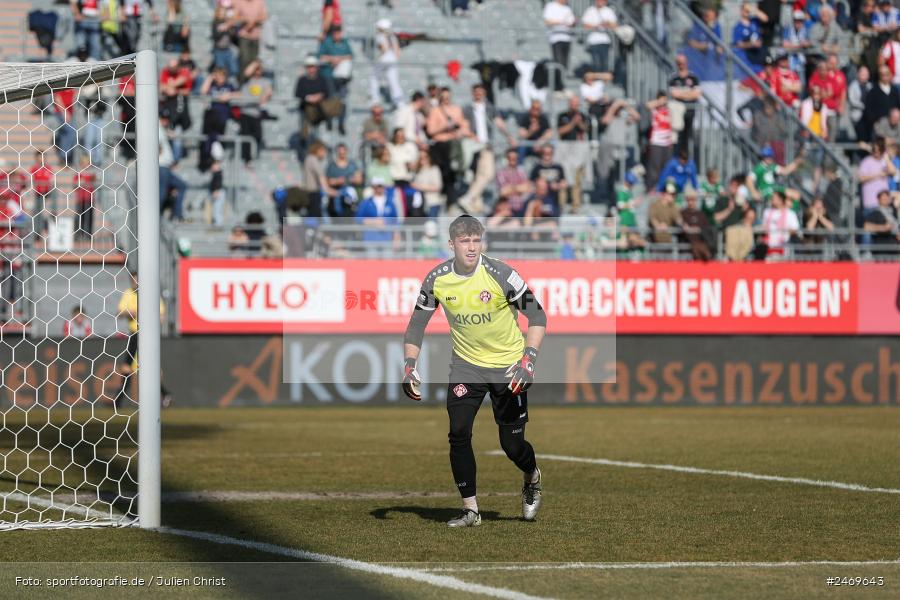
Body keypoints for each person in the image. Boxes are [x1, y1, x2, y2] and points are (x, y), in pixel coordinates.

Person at [402, 215, 547, 527]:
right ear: (451, 244)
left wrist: (529, 359)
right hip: (466, 366)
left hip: (508, 367)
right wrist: (409, 366)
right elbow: (416, 325)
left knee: (512, 445)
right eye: (465, 241)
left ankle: (532, 476)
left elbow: (537, 315)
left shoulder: (502, 274)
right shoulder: (437, 279)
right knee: (458, 432)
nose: (471, 247)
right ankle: (471, 510)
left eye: (476, 240)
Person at [115, 270, 171, 408]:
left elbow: (161, 316)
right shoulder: (128, 293)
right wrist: (130, 313)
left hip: (146, 335)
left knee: (134, 367)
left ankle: (118, 400)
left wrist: (150, 320)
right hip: (134, 334)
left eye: (138, 280)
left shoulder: (151, 294)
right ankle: (118, 400)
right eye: (133, 280)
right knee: (128, 367)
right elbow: (119, 313)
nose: (136, 283)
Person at [426, 87, 471, 206]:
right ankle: (448, 197)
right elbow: (431, 130)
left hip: (454, 144)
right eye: (443, 97)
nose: (446, 99)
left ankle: (453, 198)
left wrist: (459, 130)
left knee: (454, 170)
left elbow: (463, 125)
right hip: (441, 146)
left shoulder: (456, 109)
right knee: (445, 171)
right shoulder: (435, 111)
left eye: (448, 97)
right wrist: (444, 126)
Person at [317, 25, 353, 135]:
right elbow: (320, 57)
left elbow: (350, 56)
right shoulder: (327, 42)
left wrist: (339, 59)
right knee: (331, 99)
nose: (338, 35)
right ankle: (329, 120)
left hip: (342, 77)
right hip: (328, 75)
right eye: (336, 33)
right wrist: (332, 59)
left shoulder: (344, 42)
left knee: (342, 100)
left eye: (339, 33)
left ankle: (341, 123)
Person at [238, 59, 272, 166]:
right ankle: (246, 159)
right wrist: (255, 62)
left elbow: (269, 91)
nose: (257, 71)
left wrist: (265, 96)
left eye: (259, 69)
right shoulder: (248, 80)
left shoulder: (265, 81)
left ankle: (254, 156)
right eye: (256, 69)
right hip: (245, 111)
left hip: (256, 112)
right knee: (245, 135)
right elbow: (246, 73)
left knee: (258, 135)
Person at [294, 56, 333, 144]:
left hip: (319, 109)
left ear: (317, 67)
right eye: (309, 67)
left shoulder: (322, 79)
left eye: (313, 66)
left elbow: (327, 93)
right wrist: (308, 98)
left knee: (317, 132)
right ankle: (304, 146)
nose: (311, 69)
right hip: (305, 109)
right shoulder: (302, 80)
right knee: (304, 132)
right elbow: (297, 93)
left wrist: (319, 97)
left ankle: (316, 146)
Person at [668, 54, 701, 153]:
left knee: (688, 137)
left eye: (683, 63)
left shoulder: (693, 78)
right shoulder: (674, 78)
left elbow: (696, 94)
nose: (682, 65)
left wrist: (682, 94)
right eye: (679, 63)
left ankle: (686, 157)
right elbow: (674, 94)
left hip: (690, 112)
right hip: (677, 113)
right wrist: (688, 94)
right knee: (677, 136)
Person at [644, 91, 674, 190]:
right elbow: (647, 105)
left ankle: (665, 188)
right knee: (654, 167)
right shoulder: (654, 110)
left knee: (666, 168)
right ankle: (652, 187)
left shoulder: (668, 110)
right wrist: (659, 102)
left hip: (667, 142)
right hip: (656, 142)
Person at [862, 65, 900, 142]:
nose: (885, 77)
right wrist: (874, 123)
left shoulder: (894, 90)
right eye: (882, 74)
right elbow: (868, 109)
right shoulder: (873, 92)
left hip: (894, 127)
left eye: (887, 74)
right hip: (880, 128)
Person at [859, 137, 897, 213]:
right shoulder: (866, 161)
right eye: (875, 150)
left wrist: (886, 157)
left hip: (885, 204)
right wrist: (879, 175)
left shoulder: (885, 161)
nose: (877, 153)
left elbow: (894, 172)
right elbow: (861, 178)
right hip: (871, 203)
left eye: (880, 151)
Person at [370, 19, 403, 107]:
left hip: (385, 58)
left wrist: (379, 58)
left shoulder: (380, 36)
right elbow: (397, 51)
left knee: (374, 78)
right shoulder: (393, 37)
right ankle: (399, 102)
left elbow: (384, 49)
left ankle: (375, 99)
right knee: (394, 81)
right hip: (393, 59)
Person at [233, 0, 268, 79]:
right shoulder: (240, 2)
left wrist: (253, 22)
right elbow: (235, 17)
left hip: (256, 36)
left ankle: (253, 82)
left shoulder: (259, 2)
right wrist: (246, 20)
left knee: (254, 62)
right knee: (244, 59)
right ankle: (243, 82)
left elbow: (264, 16)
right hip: (244, 36)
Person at [581, 0, 617, 73]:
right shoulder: (590, 10)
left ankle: (603, 80)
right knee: (596, 63)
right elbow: (585, 25)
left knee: (605, 62)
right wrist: (597, 26)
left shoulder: (609, 11)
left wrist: (606, 24)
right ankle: (597, 79)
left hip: (605, 41)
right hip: (593, 41)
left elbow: (614, 25)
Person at [495, 148, 533, 217]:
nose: (513, 159)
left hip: (521, 208)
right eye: (510, 157)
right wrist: (519, 188)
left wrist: (511, 187)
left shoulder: (521, 172)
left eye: (515, 158)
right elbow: (503, 191)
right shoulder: (501, 173)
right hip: (507, 209)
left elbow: (528, 188)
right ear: (506, 158)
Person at [761, 189, 800, 255]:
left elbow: (795, 229)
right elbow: (764, 226)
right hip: (768, 247)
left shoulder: (790, 213)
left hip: (783, 247)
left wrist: (783, 231)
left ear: (781, 200)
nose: (772, 199)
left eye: (774, 198)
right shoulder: (767, 212)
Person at [732, 2, 768, 73]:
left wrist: (752, 8)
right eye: (745, 10)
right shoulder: (738, 27)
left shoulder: (754, 21)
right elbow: (739, 44)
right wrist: (752, 44)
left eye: (747, 10)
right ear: (741, 11)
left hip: (759, 58)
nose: (747, 11)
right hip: (747, 60)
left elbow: (765, 18)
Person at [680, 189, 714, 260]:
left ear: (695, 200)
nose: (690, 202)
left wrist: (695, 229)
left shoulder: (701, 214)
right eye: (688, 200)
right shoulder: (683, 213)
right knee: (696, 247)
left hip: (701, 241)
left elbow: (706, 228)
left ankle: (706, 257)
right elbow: (681, 225)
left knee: (702, 247)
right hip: (688, 242)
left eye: (692, 200)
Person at [542, 0, 575, 71]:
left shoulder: (567, 8)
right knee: (558, 61)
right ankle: (558, 78)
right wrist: (561, 22)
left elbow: (572, 22)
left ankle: (563, 78)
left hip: (567, 37)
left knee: (565, 61)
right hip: (556, 38)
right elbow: (548, 21)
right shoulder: (550, 6)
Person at [412, 152, 445, 218]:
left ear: (429, 157)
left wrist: (419, 186)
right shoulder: (418, 171)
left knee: (431, 225)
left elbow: (438, 187)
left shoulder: (434, 169)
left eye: (425, 157)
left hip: (433, 202)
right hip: (420, 204)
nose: (423, 159)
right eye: (420, 157)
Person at [74, 155, 95, 240]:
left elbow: (95, 182)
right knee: (80, 216)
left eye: (87, 162)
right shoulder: (79, 174)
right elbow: (75, 183)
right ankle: (79, 234)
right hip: (81, 199)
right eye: (84, 162)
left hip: (89, 198)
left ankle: (89, 234)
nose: (86, 164)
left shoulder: (91, 174)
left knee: (89, 217)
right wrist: (79, 182)